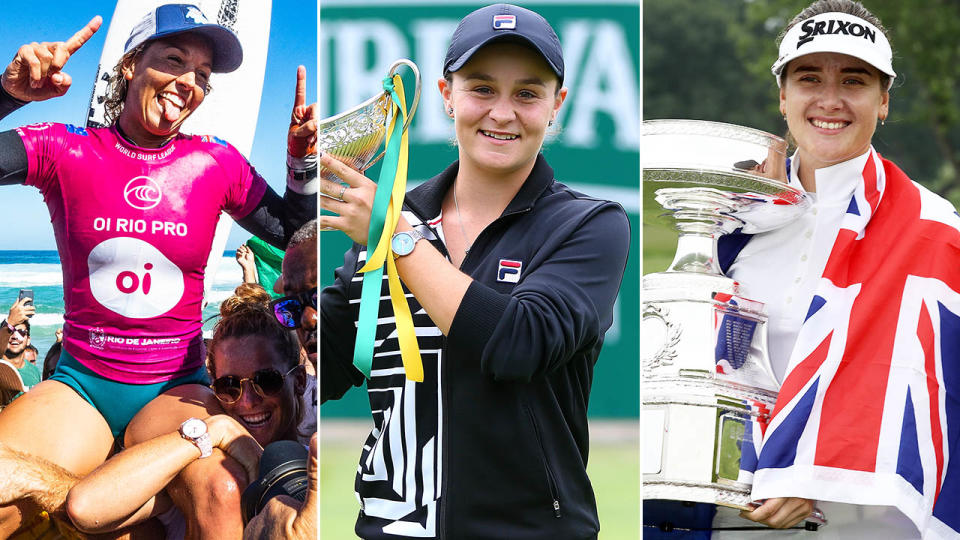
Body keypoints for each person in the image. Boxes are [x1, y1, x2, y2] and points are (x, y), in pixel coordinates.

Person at [0, 3, 316, 537]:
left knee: (221, 491)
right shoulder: (64, 148)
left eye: (203, 75)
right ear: (130, 66)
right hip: (81, 385)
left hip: (175, 388)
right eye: (173, 59)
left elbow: (297, 236)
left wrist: (300, 165)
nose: (187, 82)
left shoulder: (217, 165)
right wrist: (7, 95)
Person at [320, 4, 630, 538]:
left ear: (557, 105)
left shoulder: (590, 225)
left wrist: (395, 239)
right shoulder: (398, 217)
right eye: (482, 89)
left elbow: (518, 344)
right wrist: (283, 275)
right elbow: (323, 364)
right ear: (446, 96)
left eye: (527, 94)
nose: (503, 113)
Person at [712, 1, 960, 537]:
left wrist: (813, 470)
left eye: (854, 80)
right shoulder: (727, 222)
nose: (830, 100)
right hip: (722, 511)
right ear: (783, 96)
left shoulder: (936, 229)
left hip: (869, 522)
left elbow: (939, 393)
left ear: (883, 101)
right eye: (808, 78)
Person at [64, 283, 307, 536]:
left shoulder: (316, 467)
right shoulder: (199, 471)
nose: (247, 401)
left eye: (266, 381)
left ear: (299, 380)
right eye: (229, 386)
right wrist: (212, 430)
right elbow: (86, 506)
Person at [0, 299, 41, 401]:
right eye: (11, 331)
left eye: (21, 332)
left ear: (28, 340)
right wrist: (10, 322)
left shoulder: (34, 370)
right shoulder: (2, 369)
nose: (14, 337)